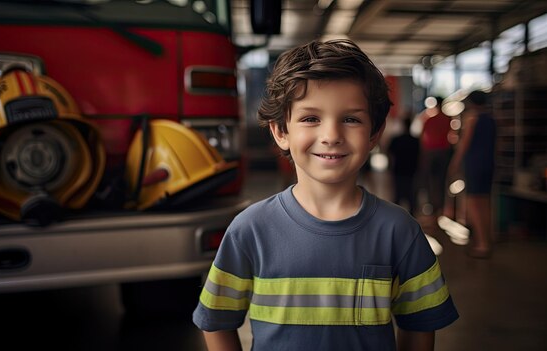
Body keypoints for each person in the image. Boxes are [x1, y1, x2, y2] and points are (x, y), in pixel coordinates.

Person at [192, 39, 458, 351]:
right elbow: (216, 320)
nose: (331, 136)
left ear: (374, 133)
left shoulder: (400, 230)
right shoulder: (249, 229)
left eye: (350, 119)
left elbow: (420, 325)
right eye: (310, 118)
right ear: (281, 131)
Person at [447, 90, 496, 258]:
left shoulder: (471, 119)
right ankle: (488, 240)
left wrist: (454, 163)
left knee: (473, 203)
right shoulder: (491, 119)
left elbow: (463, 145)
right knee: (485, 202)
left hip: (474, 165)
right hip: (488, 164)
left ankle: (481, 244)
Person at [418, 97, 452, 217]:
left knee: (430, 180)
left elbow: (423, 137)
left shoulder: (429, 119)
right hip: (444, 152)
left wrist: (423, 153)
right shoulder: (447, 119)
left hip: (431, 152)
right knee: (441, 180)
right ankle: (440, 208)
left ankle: (431, 205)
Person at [388, 115, 420, 215]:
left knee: (398, 193)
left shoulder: (396, 139)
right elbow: (420, 155)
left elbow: (389, 154)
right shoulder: (415, 140)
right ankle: (411, 216)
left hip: (398, 169)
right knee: (410, 193)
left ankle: (396, 215)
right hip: (411, 170)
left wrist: (390, 167)